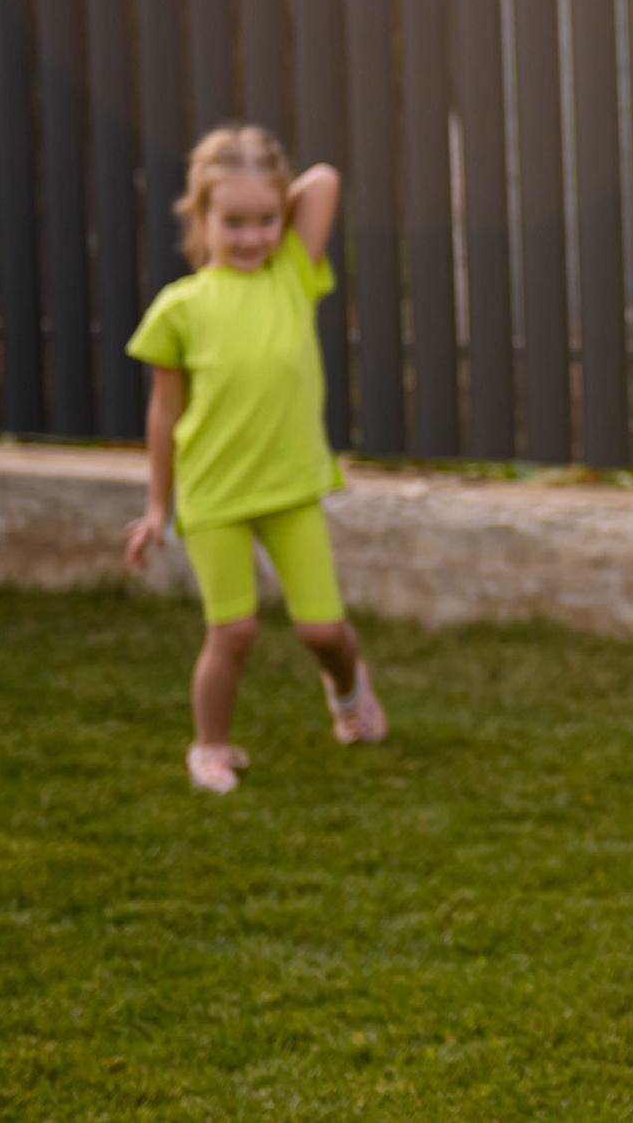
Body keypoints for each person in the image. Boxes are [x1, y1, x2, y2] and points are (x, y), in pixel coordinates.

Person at [121, 124, 385, 794]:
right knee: (232, 631)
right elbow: (163, 414)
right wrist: (156, 504)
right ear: (200, 218)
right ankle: (209, 747)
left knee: (323, 630)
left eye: (266, 219)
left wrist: (265, 193)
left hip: (290, 488)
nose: (250, 237)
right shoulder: (180, 308)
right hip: (214, 496)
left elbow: (323, 179)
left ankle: (349, 690)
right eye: (232, 221)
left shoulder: (291, 272)